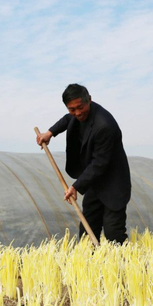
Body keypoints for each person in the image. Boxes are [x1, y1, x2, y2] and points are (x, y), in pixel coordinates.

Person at [36, 84, 131, 244]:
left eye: (80, 107)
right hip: (94, 182)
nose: (77, 113)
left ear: (90, 100)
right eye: (72, 109)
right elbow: (67, 120)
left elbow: (99, 163)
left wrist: (76, 187)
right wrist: (50, 133)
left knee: (113, 232)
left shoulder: (104, 126)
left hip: (113, 183)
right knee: (88, 230)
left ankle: (123, 266)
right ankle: (90, 264)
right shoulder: (75, 114)